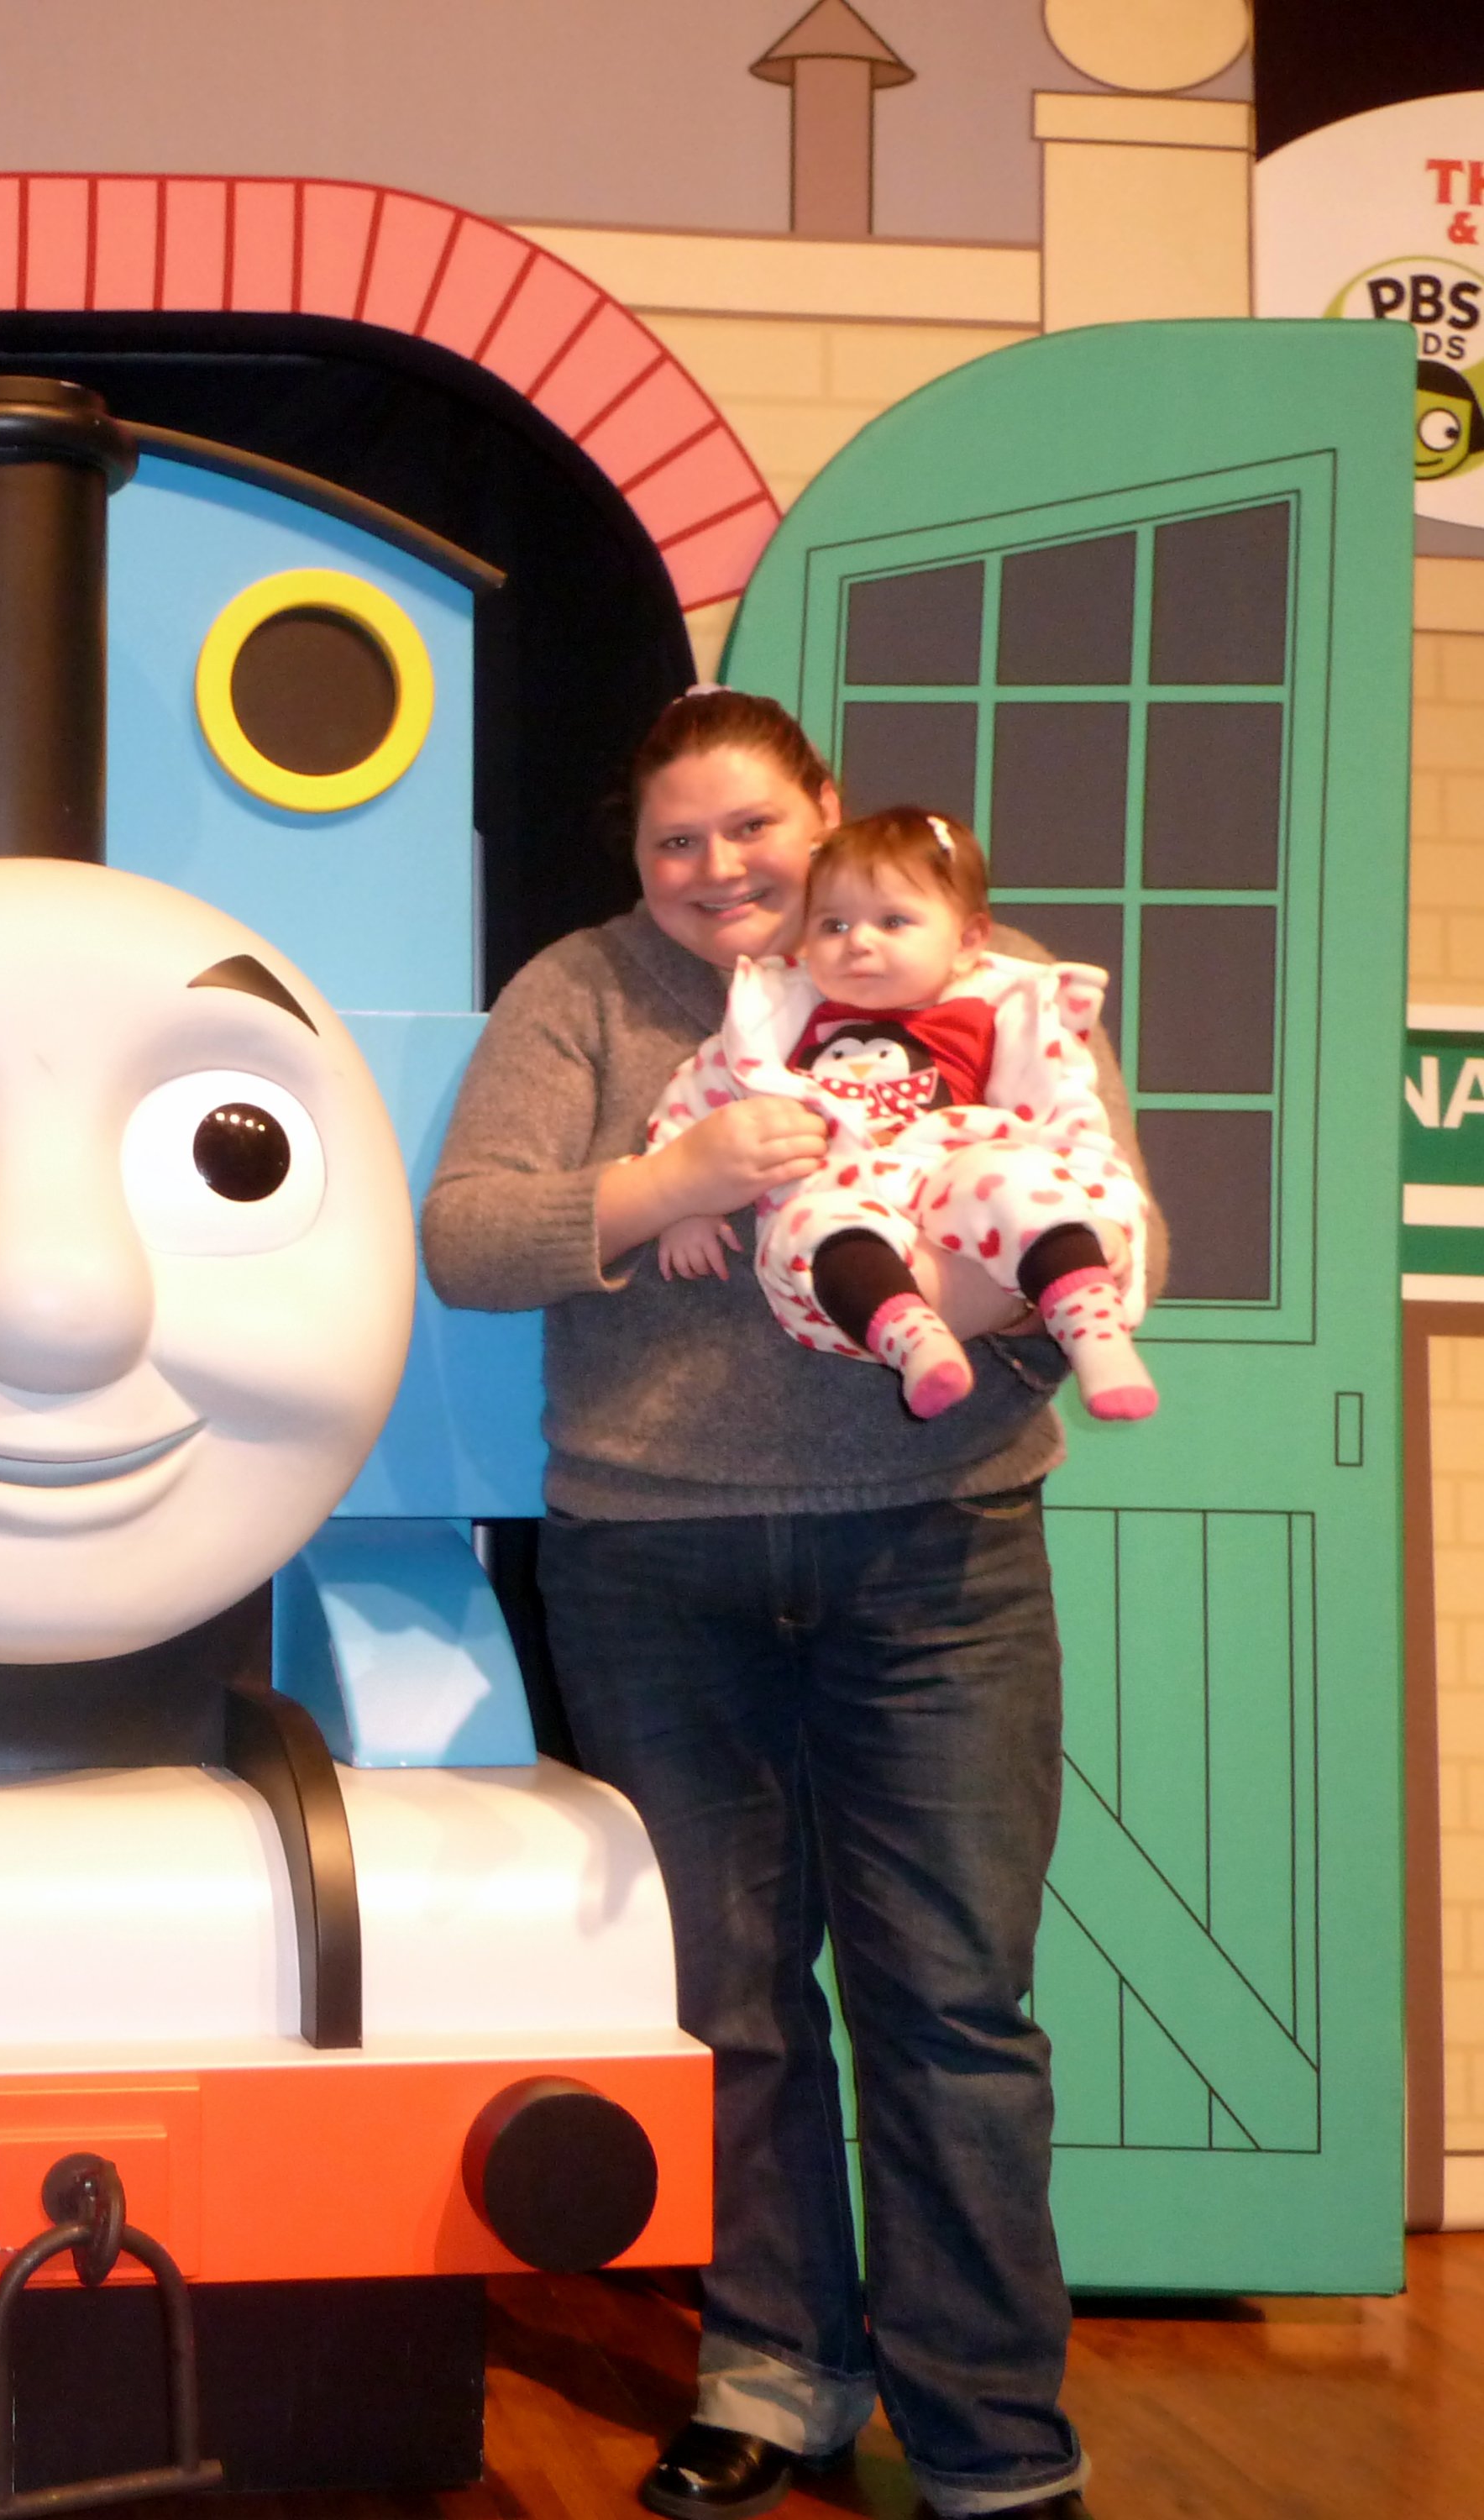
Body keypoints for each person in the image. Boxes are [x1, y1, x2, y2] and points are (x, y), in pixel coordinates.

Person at [421, 687, 1154, 2520]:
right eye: (673, 839)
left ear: (822, 808)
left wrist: (949, 1283)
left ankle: (991, 2439)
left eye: (749, 825)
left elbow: (1109, 1216)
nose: (715, 867)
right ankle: (774, 2376)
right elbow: (467, 1236)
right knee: (730, 2004)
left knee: (952, 2006)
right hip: (653, 1568)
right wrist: (670, 1181)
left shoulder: (976, 969)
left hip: (934, 1554)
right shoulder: (582, 995)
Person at [644, 805, 1154, 1422]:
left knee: (1018, 1177)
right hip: (844, 1192)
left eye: (893, 921)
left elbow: (1074, 1128)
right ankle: (914, 1342)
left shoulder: (1007, 1014)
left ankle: (1093, 1327)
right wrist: (686, 1208)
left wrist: (1102, 1216)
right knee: (809, 1226)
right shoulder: (774, 1023)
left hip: (959, 1175)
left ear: (967, 941)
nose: (858, 942)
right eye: (832, 925)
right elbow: (694, 1101)